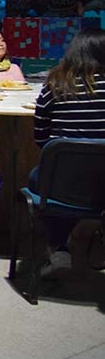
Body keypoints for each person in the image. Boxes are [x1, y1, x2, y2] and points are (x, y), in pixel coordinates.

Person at [31, 28, 105, 278]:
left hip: (62, 182)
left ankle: (59, 248)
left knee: (46, 179)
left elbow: (41, 139)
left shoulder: (54, 86)